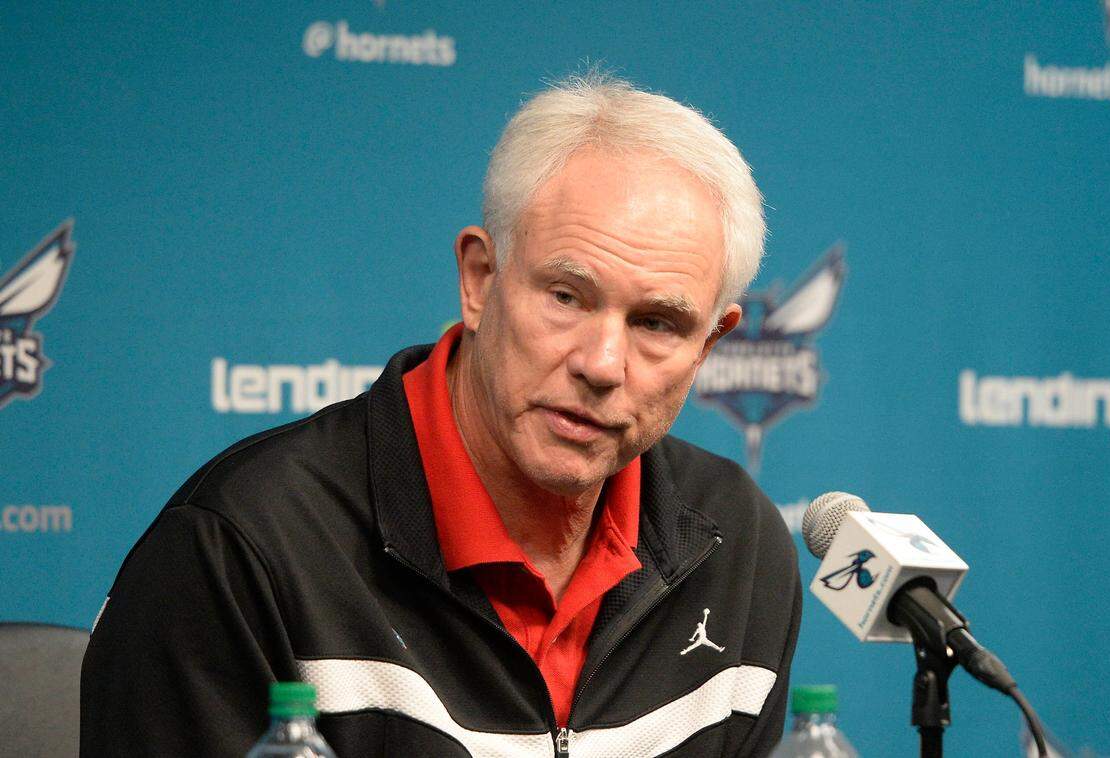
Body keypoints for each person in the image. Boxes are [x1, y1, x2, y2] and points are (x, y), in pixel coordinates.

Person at [81, 71, 801, 757]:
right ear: (480, 281)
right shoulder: (244, 549)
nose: (602, 364)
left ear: (711, 342)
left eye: (657, 324)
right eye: (566, 296)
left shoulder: (738, 547)